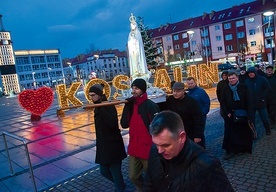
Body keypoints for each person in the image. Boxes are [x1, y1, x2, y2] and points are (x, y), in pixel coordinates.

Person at [144, 110, 234, 192]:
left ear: (182, 137)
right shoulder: (154, 150)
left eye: (166, 145)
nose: (159, 150)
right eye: (156, 144)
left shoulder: (206, 165)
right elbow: (149, 183)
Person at [120, 78, 160, 191]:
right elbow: (124, 124)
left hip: (147, 148)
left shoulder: (150, 105)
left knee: (152, 175)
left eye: (136, 88)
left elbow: (157, 127)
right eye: (132, 88)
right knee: (133, 176)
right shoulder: (131, 105)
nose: (133, 91)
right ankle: (142, 189)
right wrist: (127, 107)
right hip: (134, 147)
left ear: (142, 90)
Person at [88, 84, 127, 192]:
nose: (91, 97)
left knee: (116, 171)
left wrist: (101, 108)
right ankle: (120, 184)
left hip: (113, 144)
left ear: (100, 95)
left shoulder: (108, 105)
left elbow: (112, 123)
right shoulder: (97, 106)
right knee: (103, 171)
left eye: (93, 95)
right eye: (90, 95)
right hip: (103, 145)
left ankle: (120, 188)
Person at [221, 71, 254, 160]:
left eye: (233, 78)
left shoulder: (244, 87)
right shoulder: (226, 89)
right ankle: (231, 150)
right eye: (229, 79)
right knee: (230, 133)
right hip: (230, 115)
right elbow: (223, 102)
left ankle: (243, 148)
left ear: (237, 78)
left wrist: (250, 115)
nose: (231, 80)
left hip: (242, 114)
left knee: (243, 131)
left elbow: (249, 101)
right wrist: (226, 112)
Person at [160, 82, 205, 148]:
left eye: (178, 91)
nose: (175, 93)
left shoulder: (191, 102)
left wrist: (197, 135)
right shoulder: (170, 100)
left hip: (189, 132)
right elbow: (162, 110)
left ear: (183, 91)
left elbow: (198, 119)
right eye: (174, 91)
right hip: (175, 132)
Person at [245, 67, 271, 135]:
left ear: (254, 73)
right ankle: (254, 133)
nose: (251, 74)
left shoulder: (262, 79)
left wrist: (262, 97)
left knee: (264, 118)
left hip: (261, 102)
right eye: (249, 73)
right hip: (251, 104)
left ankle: (267, 129)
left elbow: (268, 88)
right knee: (252, 120)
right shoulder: (247, 81)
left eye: (252, 73)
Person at [186, 77, 210, 148]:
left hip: (200, 117)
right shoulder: (186, 93)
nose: (190, 85)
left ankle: (202, 149)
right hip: (190, 118)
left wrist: (203, 113)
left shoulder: (201, 91)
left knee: (199, 133)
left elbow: (206, 103)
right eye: (189, 84)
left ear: (195, 83)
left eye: (191, 83)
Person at [265, 65, 276, 129]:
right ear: (266, 71)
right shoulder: (263, 78)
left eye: (270, 70)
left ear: (272, 71)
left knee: (272, 111)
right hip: (266, 98)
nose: (269, 71)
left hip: (273, 97)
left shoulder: (275, 77)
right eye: (268, 70)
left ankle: (273, 122)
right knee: (268, 110)